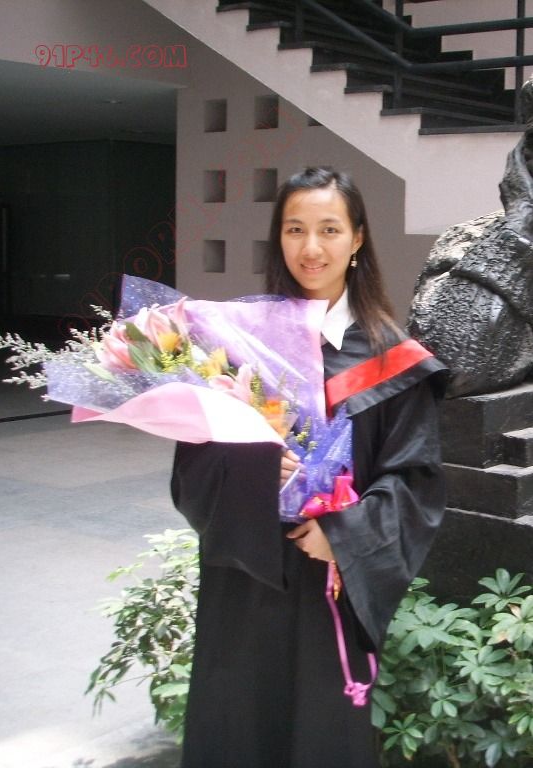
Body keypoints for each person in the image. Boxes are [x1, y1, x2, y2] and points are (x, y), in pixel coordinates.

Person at [171, 166, 448, 768]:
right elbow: (191, 468)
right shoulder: (238, 343)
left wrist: (344, 533)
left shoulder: (391, 358)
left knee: (318, 733)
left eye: (329, 229)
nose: (311, 247)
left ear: (357, 239)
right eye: (295, 229)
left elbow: (416, 482)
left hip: (328, 583)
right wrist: (249, 468)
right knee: (236, 722)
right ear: (279, 238)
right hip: (244, 579)